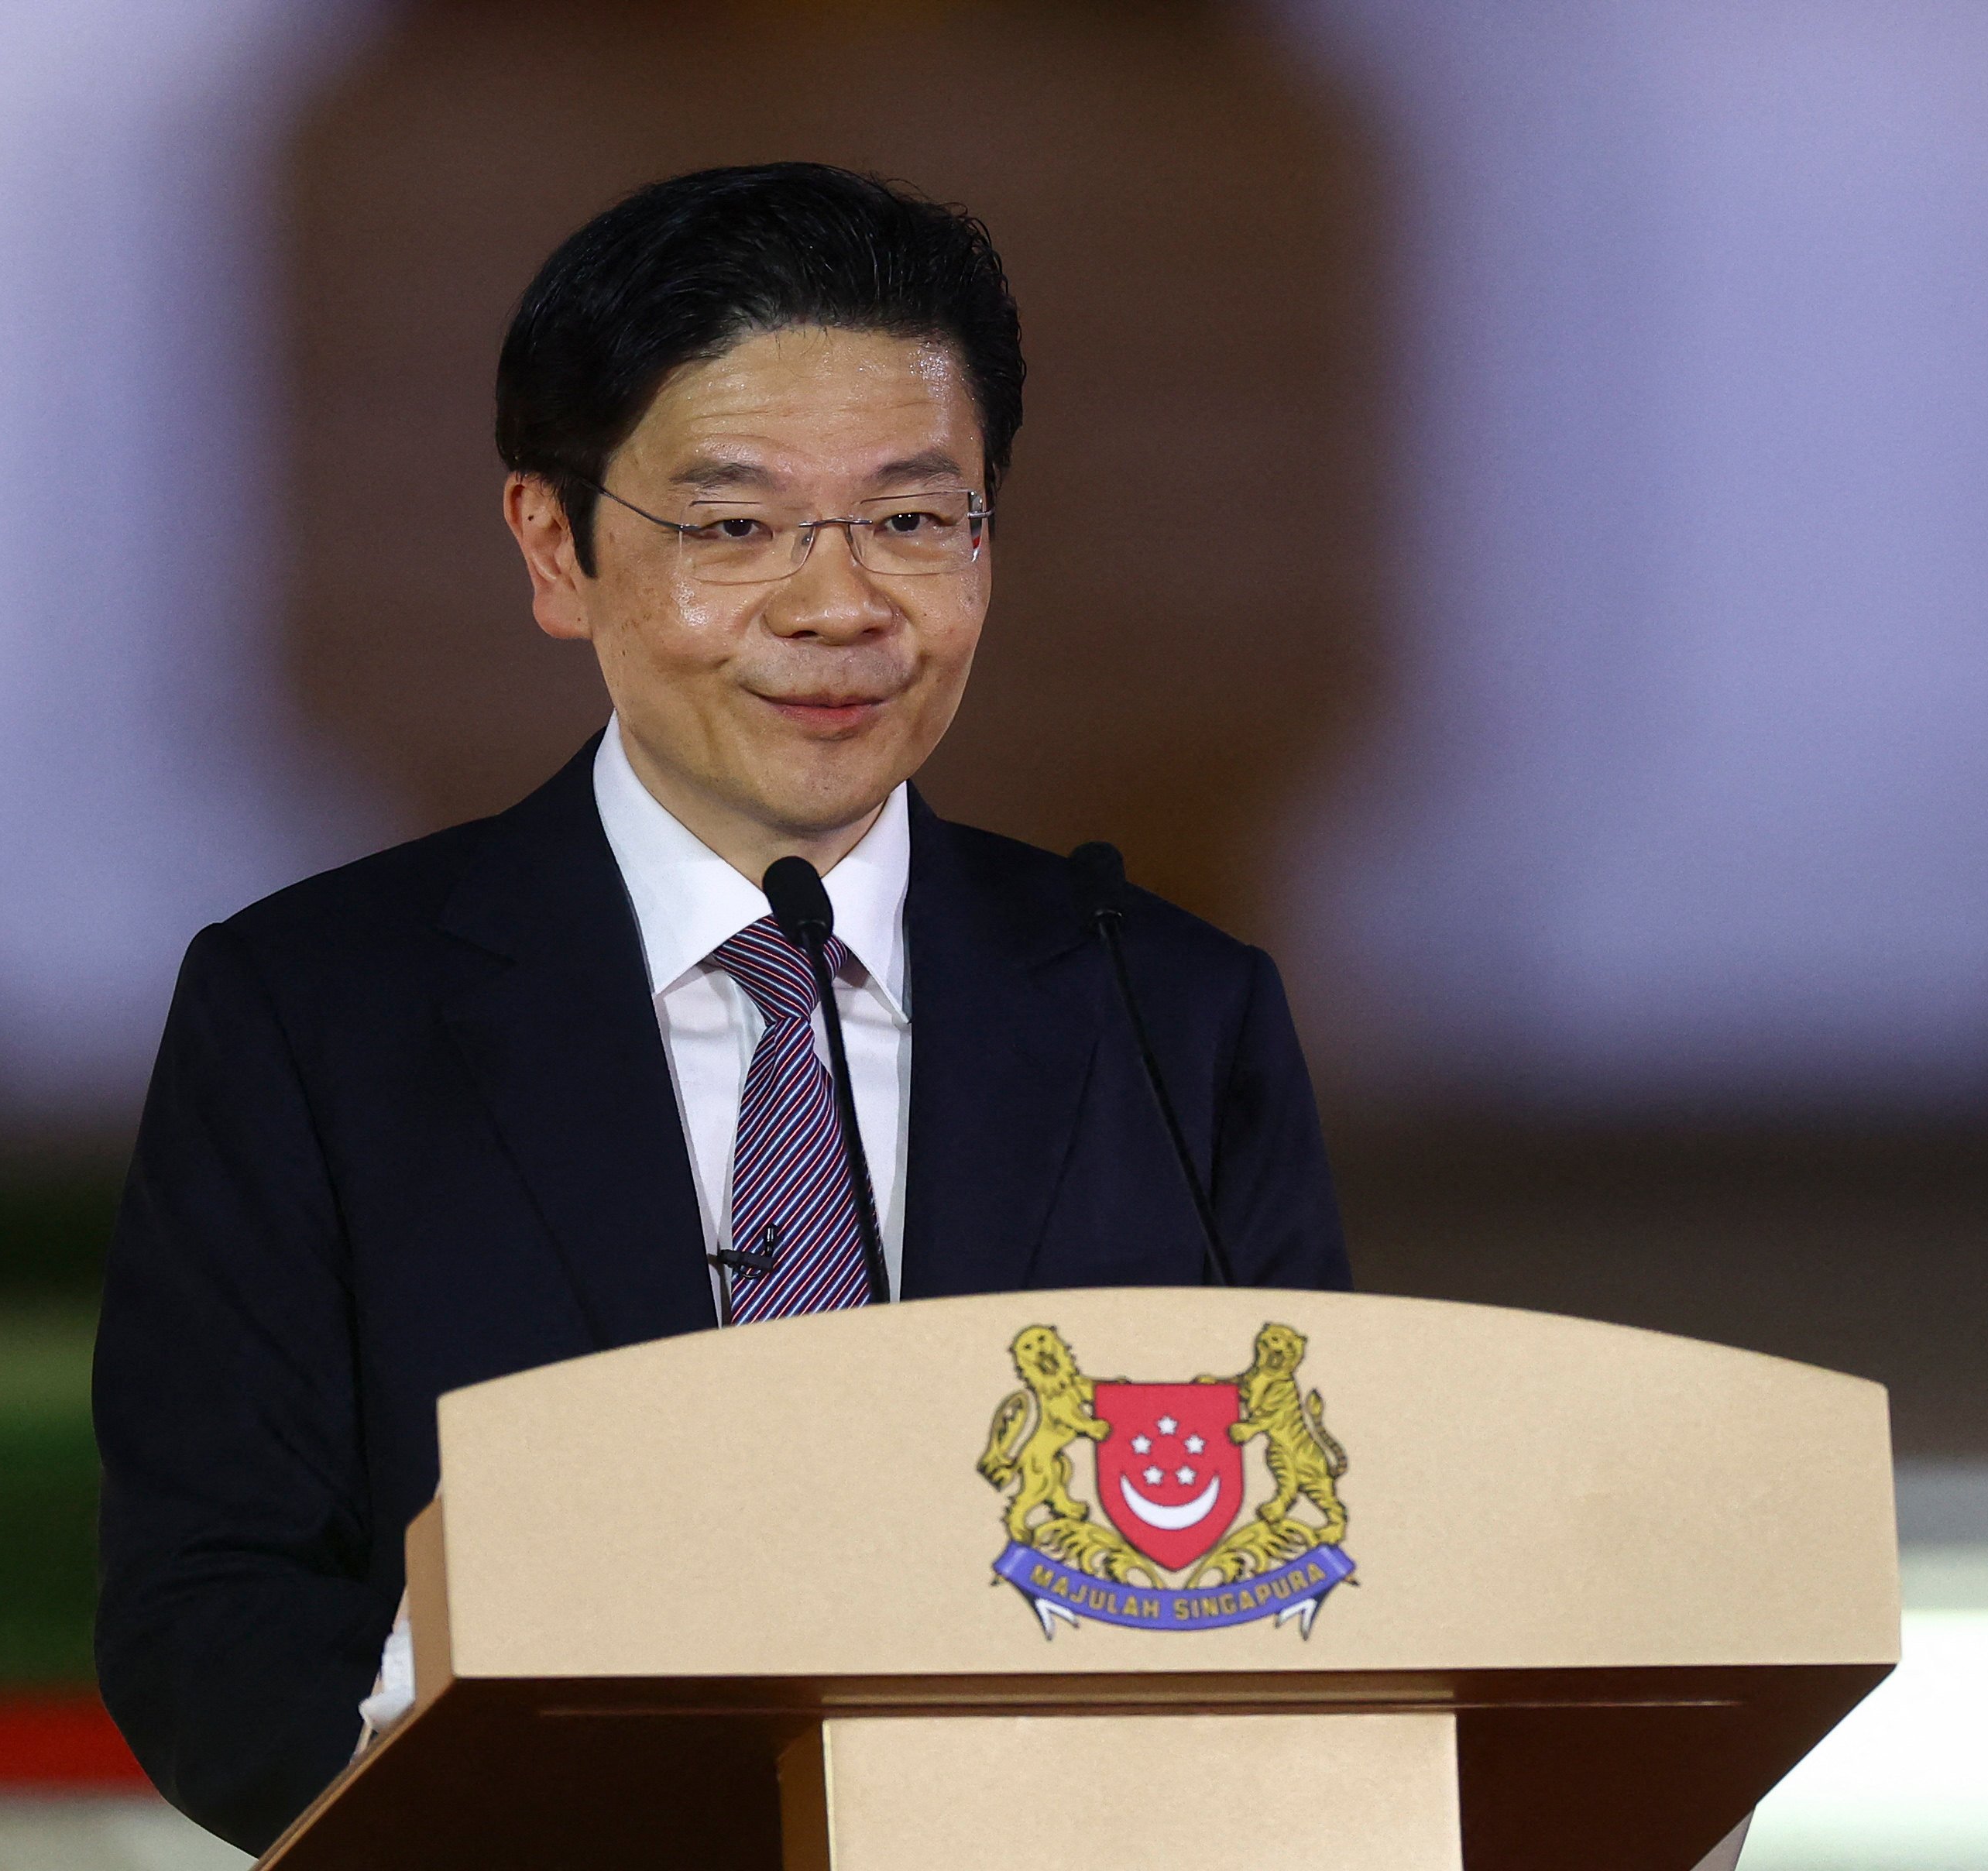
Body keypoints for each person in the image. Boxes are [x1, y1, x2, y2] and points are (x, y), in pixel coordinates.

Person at [91, 162, 1351, 1852]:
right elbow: (208, 1617)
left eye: (913, 519)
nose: (838, 607)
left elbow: (1323, 1551)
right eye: (733, 524)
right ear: (554, 544)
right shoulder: (314, 1016)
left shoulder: (1166, 1007)